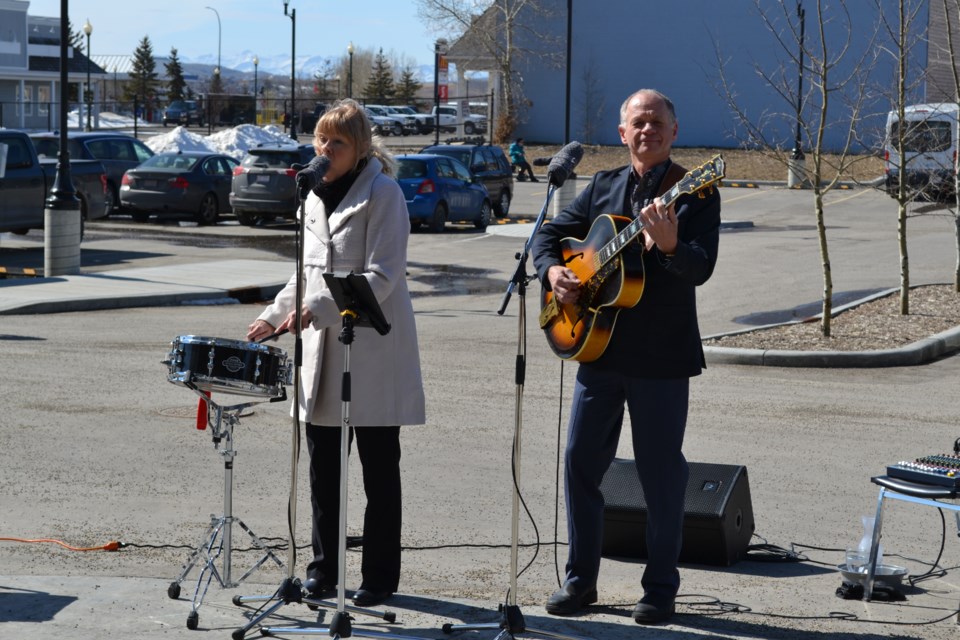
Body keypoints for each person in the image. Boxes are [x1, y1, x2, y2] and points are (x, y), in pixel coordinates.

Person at [530, 89, 720, 624]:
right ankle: (580, 581)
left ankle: (659, 588)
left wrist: (669, 247)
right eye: (638, 122)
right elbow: (548, 234)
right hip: (598, 348)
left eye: (657, 121)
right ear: (623, 133)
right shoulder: (603, 185)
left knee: (661, 476)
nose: (648, 130)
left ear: (674, 131)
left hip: (661, 356)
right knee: (579, 464)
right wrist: (554, 272)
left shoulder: (695, 191)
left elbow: (700, 267)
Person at [247, 99, 425, 609]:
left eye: (337, 142)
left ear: (361, 147)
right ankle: (323, 570)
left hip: (371, 350)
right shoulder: (312, 196)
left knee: (378, 471)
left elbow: (384, 276)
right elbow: (302, 273)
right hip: (321, 354)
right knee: (323, 473)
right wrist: (273, 312)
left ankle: (379, 577)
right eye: (320, 140)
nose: (325, 150)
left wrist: (315, 309)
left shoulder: (384, 194)